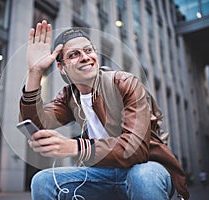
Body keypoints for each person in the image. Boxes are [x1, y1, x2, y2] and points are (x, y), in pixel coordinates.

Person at [19, 20, 189, 200]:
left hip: (146, 166)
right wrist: (35, 72)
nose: (85, 57)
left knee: (142, 176)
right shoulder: (70, 97)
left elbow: (135, 150)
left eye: (88, 50)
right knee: (42, 181)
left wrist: (76, 147)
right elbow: (37, 123)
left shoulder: (125, 83)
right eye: (74, 54)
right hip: (101, 175)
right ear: (61, 67)